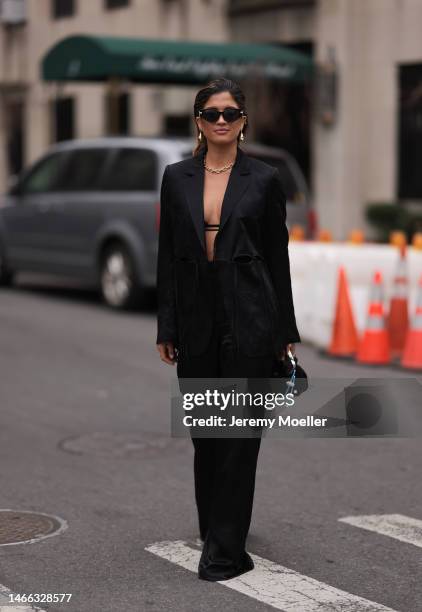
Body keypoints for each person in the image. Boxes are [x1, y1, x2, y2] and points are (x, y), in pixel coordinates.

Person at [156, 78, 301, 581]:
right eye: (212, 113)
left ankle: (225, 550)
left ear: (244, 122)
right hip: (195, 315)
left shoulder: (264, 178)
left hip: (252, 313)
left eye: (231, 112)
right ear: (198, 121)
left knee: (239, 435)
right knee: (207, 434)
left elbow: (278, 258)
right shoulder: (176, 178)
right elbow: (168, 257)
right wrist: (166, 325)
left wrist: (286, 329)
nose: (222, 120)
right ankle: (215, 526)